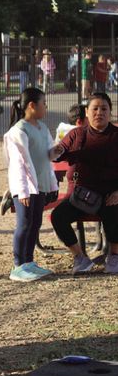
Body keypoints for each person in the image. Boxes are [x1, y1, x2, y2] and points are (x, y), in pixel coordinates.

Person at [51, 92, 118, 274]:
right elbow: (59, 152)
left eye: (104, 109)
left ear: (110, 112)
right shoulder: (76, 134)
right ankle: (80, 258)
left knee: (115, 211)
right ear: (87, 112)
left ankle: (114, 256)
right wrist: (55, 151)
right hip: (82, 196)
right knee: (58, 217)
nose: (99, 113)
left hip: (110, 195)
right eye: (94, 109)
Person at [3, 87, 60, 282]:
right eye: (43, 103)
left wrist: (57, 150)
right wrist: (23, 191)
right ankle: (18, 265)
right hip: (25, 188)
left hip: (40, 185)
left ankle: (28, 262)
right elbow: (19, 163)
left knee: (35, 222)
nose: (46, 107)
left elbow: (47, 153)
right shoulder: (18, 131)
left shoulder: (42, 128)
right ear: (31, 105)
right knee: (24, 223)